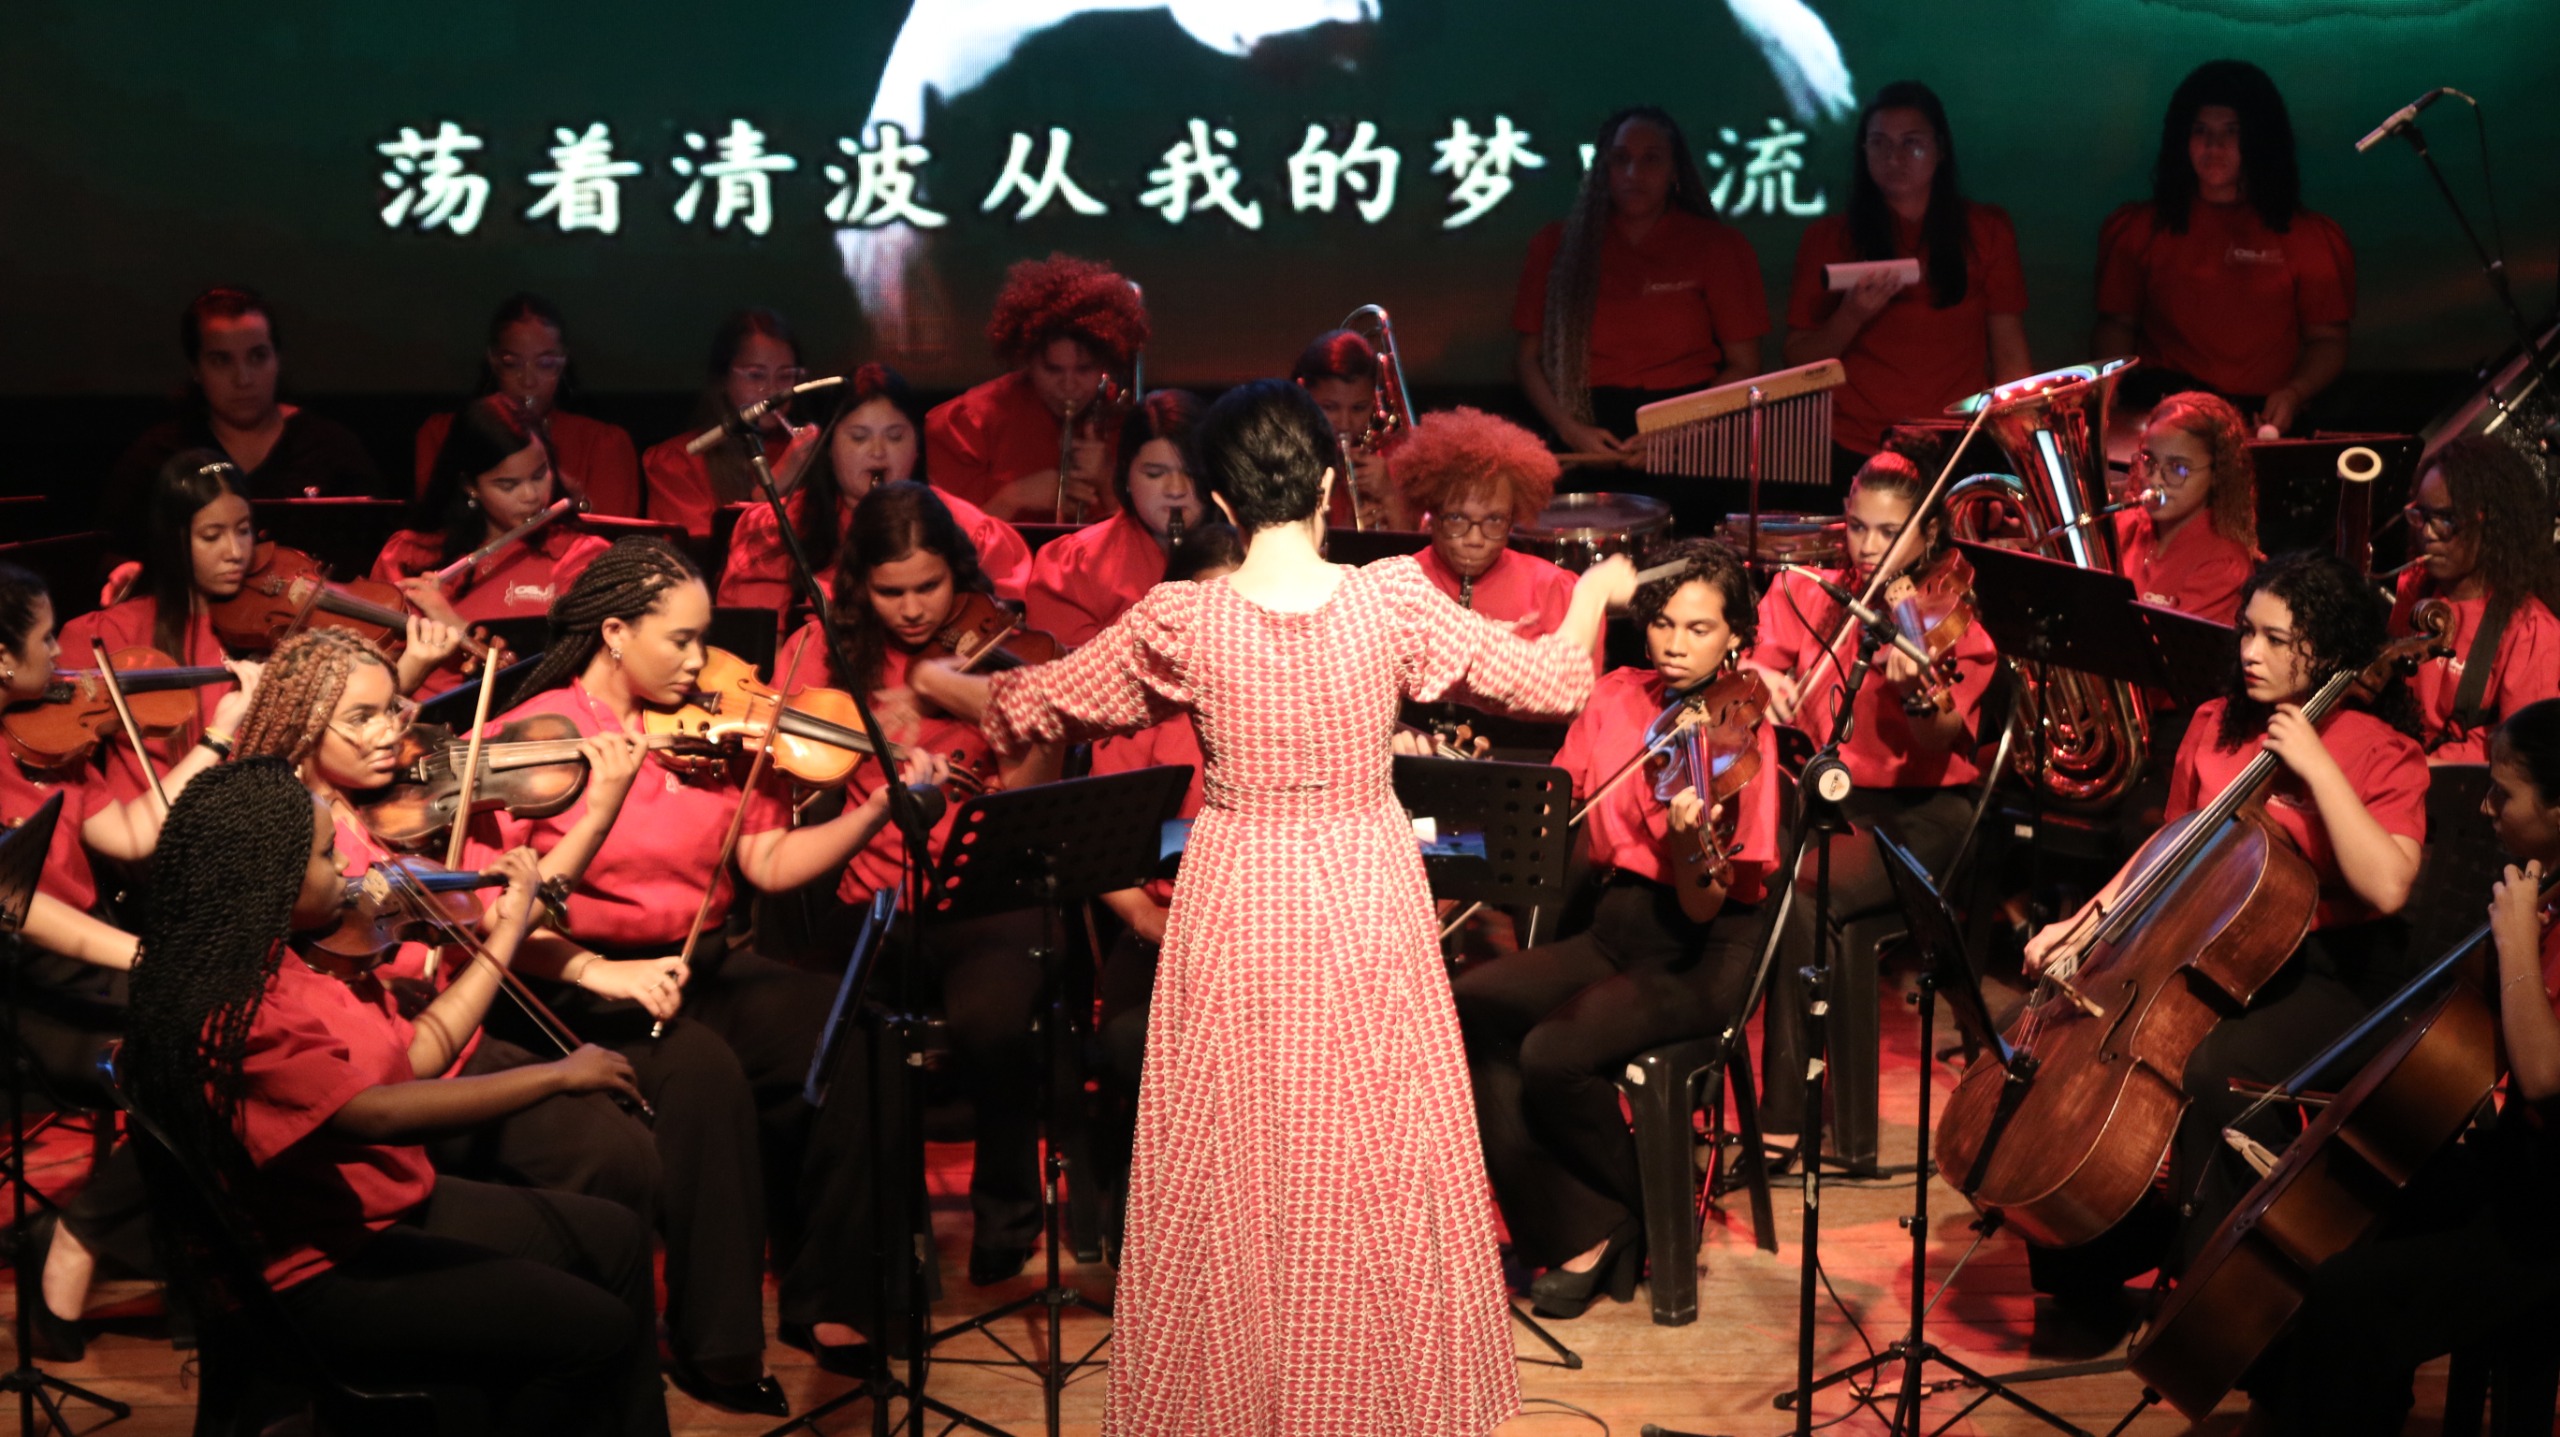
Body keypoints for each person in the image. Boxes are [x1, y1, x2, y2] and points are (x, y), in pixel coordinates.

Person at [910, 379, 1637, 1436]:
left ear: (1215, 497)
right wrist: (1592, 592)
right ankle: (1379, 1398)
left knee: (1241, 1155)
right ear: (1332, 485)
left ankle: (1243, 1402)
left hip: (1242, 891)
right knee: (1377, 1146)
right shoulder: (1390, 598)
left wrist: (943, 685)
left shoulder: (1181, 616)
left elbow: (1034, 701)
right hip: (1363, 886)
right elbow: (1557, 682)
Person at [474, 537, 938, 1367]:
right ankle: (713, 1344)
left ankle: (835, 1299)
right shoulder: (535, 737)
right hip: (578, 984)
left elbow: (764, 861)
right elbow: (494, 916)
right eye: (679, 640)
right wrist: (598, 971)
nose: (701, 660)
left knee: (862, 1036)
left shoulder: (716, 731)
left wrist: (875, 814)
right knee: (704, 1078)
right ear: (614, 633)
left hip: (705, 964)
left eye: (703, 638)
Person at [122, 758, 667, 1436]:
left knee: (614, 1236)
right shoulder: (237, 1006)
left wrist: (506, 928)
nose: (350, 872)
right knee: (595, 1331)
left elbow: (416, 1055)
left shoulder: (285, 958)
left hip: (371, 1213)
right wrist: (558, 1075)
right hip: (322, 1271)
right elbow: (370, 1114)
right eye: (327, 856)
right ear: (269, 877)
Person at [2025, 552, 2426, 1307]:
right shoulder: (2215, 723)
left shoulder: (2379, 749)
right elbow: (2167, 851)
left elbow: (2387, 883)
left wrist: (2316, 765)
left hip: (2330, 968)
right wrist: (2081, 925)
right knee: (2084, 1032)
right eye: (2248, 631)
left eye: (2277, 639)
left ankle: (2219, 1290)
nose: (2251, 651)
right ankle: (2090, 1240)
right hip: (2202, 949)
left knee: (2210, 1069)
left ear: (2331, 650)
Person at [1454, 539, 1780, 1319]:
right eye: (1663, 623)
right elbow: (1557, 806)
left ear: (1736, 635)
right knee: (1471, 1005)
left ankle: (1651, 1212)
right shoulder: (1612, 697)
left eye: (1699, 629)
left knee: (1551, 1051)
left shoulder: (1740, 732)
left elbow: (1706, 904)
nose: (1674, 643)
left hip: (1703, 948)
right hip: (1616, 927)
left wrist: (1683, 836)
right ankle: (1578, 1224)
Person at [777, 481, 1061, 1283]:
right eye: (889, 591)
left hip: (985, 890)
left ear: (958, 572)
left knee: (994, 1021)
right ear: (858, 583)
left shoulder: (1000, 641)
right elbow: (801, 790)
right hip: (874, 892)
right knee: (853, 1038)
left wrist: (958, 689)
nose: (910, 609)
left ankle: (1007, 1212)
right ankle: (890, 1229)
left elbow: (1036, 786)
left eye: (929, 587)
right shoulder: (823, 647)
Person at [2265, 699, 2560, 1434]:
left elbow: (2548, 1077)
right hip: (2524, 1168)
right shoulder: (2541, 883)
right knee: (2376, 1202)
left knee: (2343, 1292)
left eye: (2504, 791)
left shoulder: (2536, 908)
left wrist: (2519, 944)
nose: (2485, 805)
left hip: (2551, 1209)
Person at [0, 563, 258, 1359]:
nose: (66, 658)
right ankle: (87, 1239)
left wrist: (222, 733)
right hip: (27, 986)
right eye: (49, 640)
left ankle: (98, 1235)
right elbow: (26, 914)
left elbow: (136, 835)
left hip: (91, 958)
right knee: (195, 1054)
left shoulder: (49, 743)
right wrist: (153, 956)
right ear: (3, 658)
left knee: (235, 1036)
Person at [1743, 449, 2000, 1143]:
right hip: (1829, 802)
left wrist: (1922, 694)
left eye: (1890, 532)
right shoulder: (1805, 593)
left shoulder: (1951, 619)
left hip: (1922, 813)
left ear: (1928, 536)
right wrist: (1761, 683)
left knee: (1804, 892)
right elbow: (1757, 665)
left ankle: (1788, 1118)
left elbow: (1938, 742)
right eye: (1859, 527)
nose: (1870, 547)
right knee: (1758, 875)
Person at [62, 452, 458, 798]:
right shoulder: (109, 632)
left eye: (243, 530)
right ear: (171, 539)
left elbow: (329, 738)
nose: (236, 552)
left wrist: (410, 669)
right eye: (211, 536)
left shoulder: (272, 623)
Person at [1084, 520, 1243, 1244]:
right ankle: (1165, 1230)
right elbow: (1100, 849)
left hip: (1264, 945)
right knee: (1134, 1044)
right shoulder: (1144, 701)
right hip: (1163, 937)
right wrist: (1149, 922)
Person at [1784, 82, 2031, 483]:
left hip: (1957, 442)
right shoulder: (1829, 238)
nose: (1893, 157)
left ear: (1940, 148)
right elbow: (1797, 362)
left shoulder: (1986, 231)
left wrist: (2022, 445)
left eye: (1911, 143)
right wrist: (1852, 315)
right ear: (1862, 150)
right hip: (1857, 445)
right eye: (1878, 143)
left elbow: (2010, 355)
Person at [2094, 61, 2352, 434]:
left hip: (2262, 419)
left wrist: (2295, 393)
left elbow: (2328, 340)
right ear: (2181, 138)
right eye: (2201, 130)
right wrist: (2111, 388)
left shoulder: (2308, 237)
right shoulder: (2139, 229)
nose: (2214, 145)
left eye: (2231, 131)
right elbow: (2116, 324)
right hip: (2162, 414)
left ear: (2259, 141)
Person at [1515, 106, 1769, 461]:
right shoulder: (1557, 244)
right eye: (1621, 159)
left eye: (1651, 159)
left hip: (1692, 424)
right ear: (1603, 168)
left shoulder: (1718, 246)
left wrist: (1680, 430)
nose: (1633, 173)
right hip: (1585, 426)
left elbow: (1744, 364)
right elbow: (1529, 360)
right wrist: (1570, 429)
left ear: (1674, 171)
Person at [718, 363, 1031, 614]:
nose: (878, 452)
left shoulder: (972, 532)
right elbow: (755, 645)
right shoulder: (774, 529)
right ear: (827, 446)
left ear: (917, 447)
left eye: (895, 437)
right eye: (859, 437)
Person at [373, 393, 614, 696]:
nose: (530, 495)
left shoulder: (583, 557)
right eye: (508, 484)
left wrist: (457, 626)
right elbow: (369, 669)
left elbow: (575, 673)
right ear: (470, 486)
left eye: (540, 475)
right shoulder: (408, 554)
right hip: (417, 732)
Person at [101, 286, 382, 544]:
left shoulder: (333, 450)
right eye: (222, 361)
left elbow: (376, 551)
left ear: (277, 359)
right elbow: (110, 552)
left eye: (257, 356)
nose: (243, 378)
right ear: (196, 369)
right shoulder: (159, 457)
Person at [927, 252, 1150, 521]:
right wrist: (1012, 499)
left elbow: (1151, 551)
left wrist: (1107, 484)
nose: (1069, 385)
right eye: (1052, 369)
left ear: (1105, 361)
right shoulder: (966, 425)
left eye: (1084, 369)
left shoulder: (1128, 423)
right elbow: (946, 550)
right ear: (1027, 360)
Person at [2388, 435, 2560, 763]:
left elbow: (2524, 762)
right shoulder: (2414, 589)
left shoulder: (2531, 631)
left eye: (2447, 519)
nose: (2428, 533)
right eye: (2421, 515)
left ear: (2492, 525)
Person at [410, 293, 643, 517]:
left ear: (563, 362)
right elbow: (435, 522)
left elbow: (617, 546)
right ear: (493, 361)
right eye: (512, 364)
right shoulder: (442, 433)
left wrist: (570, 497)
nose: (528, 381)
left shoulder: (603, 444)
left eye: (545, 363)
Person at [1025, 390, 1207, 648]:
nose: (1176, 490)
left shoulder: (1250, 552)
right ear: (1126, 476)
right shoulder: (1074, 564)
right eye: (1155, 474)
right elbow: (1067, 674)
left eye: (1192, 473)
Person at [1392, 408, 1580, 642]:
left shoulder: (1552, 588)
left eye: (1494, 520)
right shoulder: (1398, 587)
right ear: (1431, 512)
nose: (1474, 539)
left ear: (1513, 517)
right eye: (1456, 518)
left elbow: (1577, 676)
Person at [639, 309, 822, 539]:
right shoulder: (678, 462)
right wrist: (776, 483)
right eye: (756, 376)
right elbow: (697, 560)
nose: (773, 391)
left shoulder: (804, 452)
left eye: (785, 376)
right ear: (724, 379)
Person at [2115, 391, 2260, 625]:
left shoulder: (2223, 564)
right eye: (2148, 461)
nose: (2155, 479)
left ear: (2216, 475)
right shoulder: (2123, 526)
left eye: (2177, 468)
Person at [1293, 329, 1410, 529]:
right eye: (1330, 407)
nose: (1345, 424)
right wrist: (1344, 535)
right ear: (1303, 392)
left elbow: (1419, 553)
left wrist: (1390, 496)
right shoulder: (1285, 461)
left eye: (1359, 408)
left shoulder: (1395, 455)